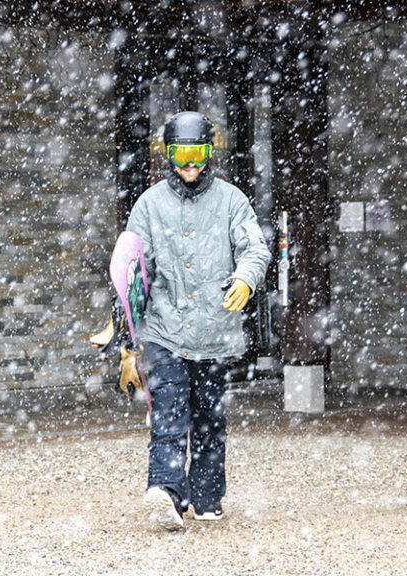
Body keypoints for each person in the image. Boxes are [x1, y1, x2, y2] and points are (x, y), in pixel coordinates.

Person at [126, 111, 271, 530]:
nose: (189, 165)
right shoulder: (150, 204)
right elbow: (136, 271)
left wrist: (245, 278)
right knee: (169, 413)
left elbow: (255, 248)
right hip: (165, 330)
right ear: (167, 155)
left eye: (198, 154)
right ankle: (166, 493)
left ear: (210, 153)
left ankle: (207, 495)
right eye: (180, 155)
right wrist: (127, 336)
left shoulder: (231, 200)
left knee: (210, 418)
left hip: (214, 332)